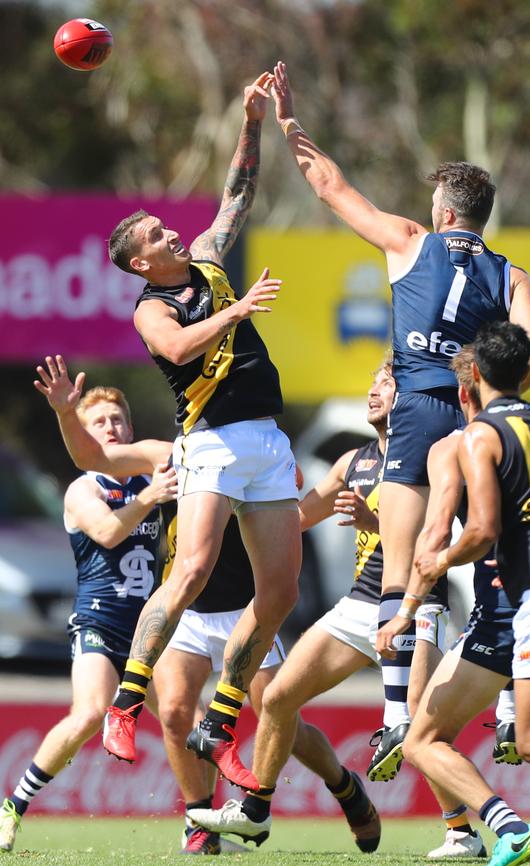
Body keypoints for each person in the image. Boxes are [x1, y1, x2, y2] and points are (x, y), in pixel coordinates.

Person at [269, 60, 530, 772]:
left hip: (420, 410)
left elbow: (330, 187)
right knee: (494, 560)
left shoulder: (409, 242)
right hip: (478, 417)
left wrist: (291, 126)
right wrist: (484, 388)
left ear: (444, 213)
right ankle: (514, 709)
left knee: (406, 564)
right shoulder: (512, 273)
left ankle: (396, 715)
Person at [33, 356, 378, 855]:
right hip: (188, 608)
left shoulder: (260, 453)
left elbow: (296, 496)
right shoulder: (170, 452)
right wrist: (67, 414)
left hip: (247, 611)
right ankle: (199, 820)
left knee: (278, 717)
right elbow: (98, 460)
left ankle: (343, 785)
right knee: (174, 712)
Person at [100, 71, 303, 792]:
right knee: (189, 572)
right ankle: (125, 705)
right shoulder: (151, 309)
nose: (170, 230)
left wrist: (250, 118)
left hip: (267, 444)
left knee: (279, 595)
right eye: (155, 234)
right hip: (211, 441)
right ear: (140, 263)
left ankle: (220, 722)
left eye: (163, 224)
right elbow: (181, 351)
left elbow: (238, 193)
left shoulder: (212, 258)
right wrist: (238, 310)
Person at [186, 362, 439, 849]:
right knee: (278, 699)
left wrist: (373, 522)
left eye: (386, 383)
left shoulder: (430, 459)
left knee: (423, 730)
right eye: (372, 381)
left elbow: (437, 538)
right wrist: (245, 496)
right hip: (362, 604)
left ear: (411, 399)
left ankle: (465, 828)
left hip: (416, 606)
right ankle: (257, 809)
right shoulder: (353, 462)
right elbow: (297, 518)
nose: (372, 391)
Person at [385, 321, 530, 866]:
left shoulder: (478, 435)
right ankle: (508, 830)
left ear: (470, 378)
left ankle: (512, 832)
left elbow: (481, 530)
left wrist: (438, 560)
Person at [0, 386, 175, 852]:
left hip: (149, 629)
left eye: (118, 420)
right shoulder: (84, 488)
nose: (111, 428)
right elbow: (110, 532)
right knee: (90, 712)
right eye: (100, 423)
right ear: (84, 438)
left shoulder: (154, 473)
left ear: (131, 430)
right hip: (99, 623)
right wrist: (153, 495)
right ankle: (13, 807)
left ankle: (200, 824)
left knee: (179, 718)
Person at [376, 344, 519, 859]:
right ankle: (463, 831)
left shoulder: (453, 446)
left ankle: (506, 829)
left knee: (420, 737)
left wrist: (406, 610)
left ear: (464, 389)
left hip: (505, 614)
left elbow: (439, 535)